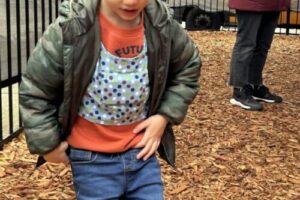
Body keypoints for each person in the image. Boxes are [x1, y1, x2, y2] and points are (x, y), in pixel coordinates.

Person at [19, 0, 201, 199]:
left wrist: (164, 116)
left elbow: (188, 66)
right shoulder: (73, 28)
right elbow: (36, 90)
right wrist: (47, 145)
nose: (131, 1)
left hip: (142, 153)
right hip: (90, 159)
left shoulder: (161, 25)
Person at [228, 0, 290, 111]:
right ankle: (239, 90)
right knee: (246, 44)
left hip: (274, 4)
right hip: (250, 3)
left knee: (263, 45)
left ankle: (254, 85)